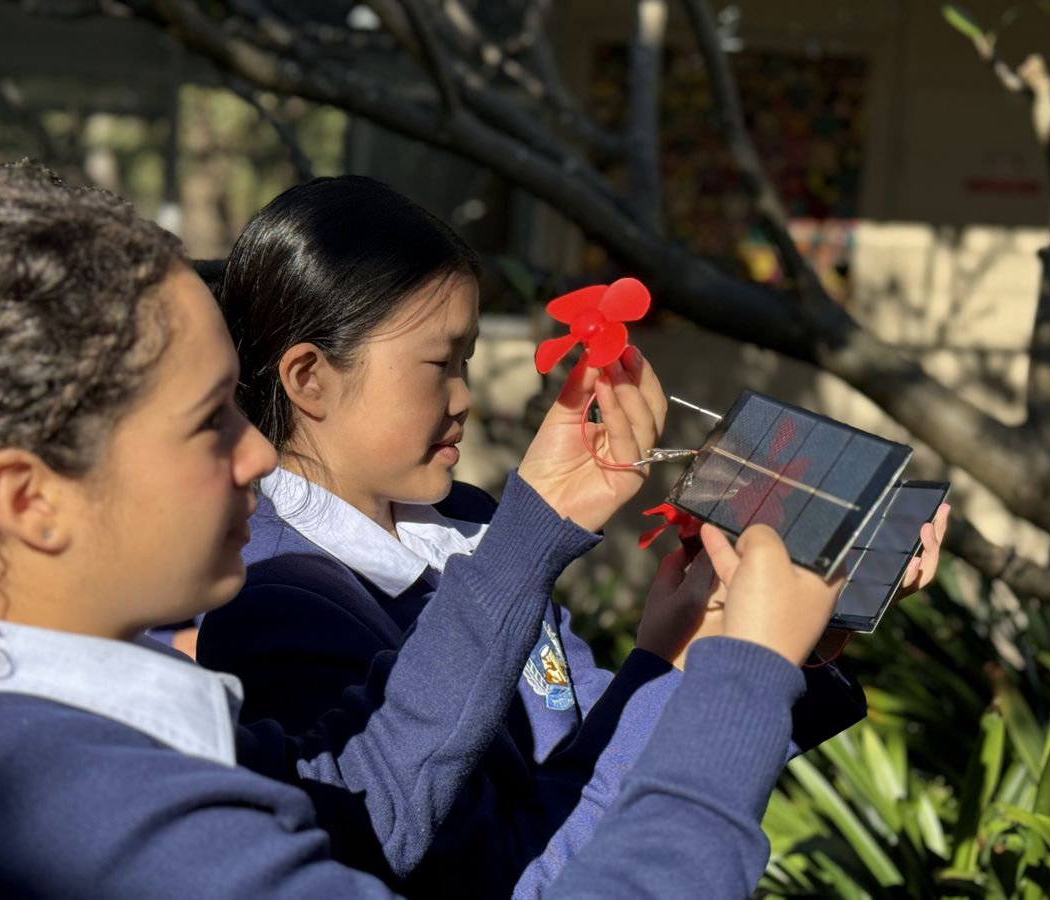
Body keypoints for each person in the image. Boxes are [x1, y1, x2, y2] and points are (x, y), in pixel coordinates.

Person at [0, 161, 841, 899]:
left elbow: (370, 798)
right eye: (208, 421)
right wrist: (743, 678)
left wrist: (552, 533)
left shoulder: (10, 741)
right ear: (29, 498)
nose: (256, 453)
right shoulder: (97, 826)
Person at [197, 175, 913, 895]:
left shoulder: (471, 527)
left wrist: (770, 632)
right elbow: (509, 870)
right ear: (309, 378)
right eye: (440, 363)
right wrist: (704, 663)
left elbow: (585, 743)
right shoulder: (276, 600)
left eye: (468, 360)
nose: (464, 397)